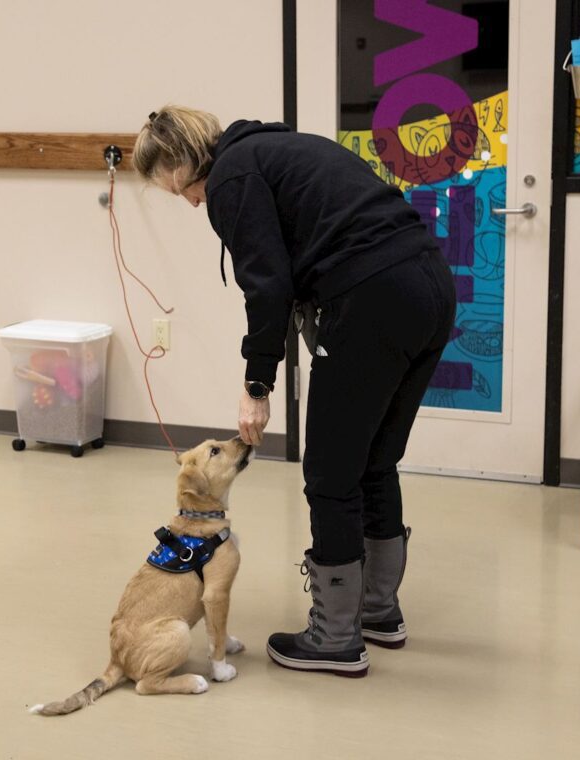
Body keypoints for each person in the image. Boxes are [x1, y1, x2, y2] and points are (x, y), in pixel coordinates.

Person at [133, 106, 455, 678]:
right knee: (374, 461)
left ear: (184, 162)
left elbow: (268, 286)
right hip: (428, 286)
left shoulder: (232, 178)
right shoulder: (276, 151)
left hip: (370, 299)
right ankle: (377, 612)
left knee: (330, 474)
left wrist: (257, 384)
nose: (192, 203)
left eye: (180, 189)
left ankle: (335, 638)